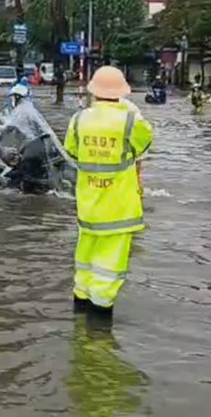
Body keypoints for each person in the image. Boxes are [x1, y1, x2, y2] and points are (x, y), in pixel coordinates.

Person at [64, 66, 153, 318]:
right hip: (118, 210)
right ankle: (99, 328)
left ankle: (80, 306)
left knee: (85, 260)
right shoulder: (130, 120)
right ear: (122, 93)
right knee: (109, 267)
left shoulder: (79, 119)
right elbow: (144, 144)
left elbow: (71, 151)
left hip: (88, 206)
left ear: (93, 91)